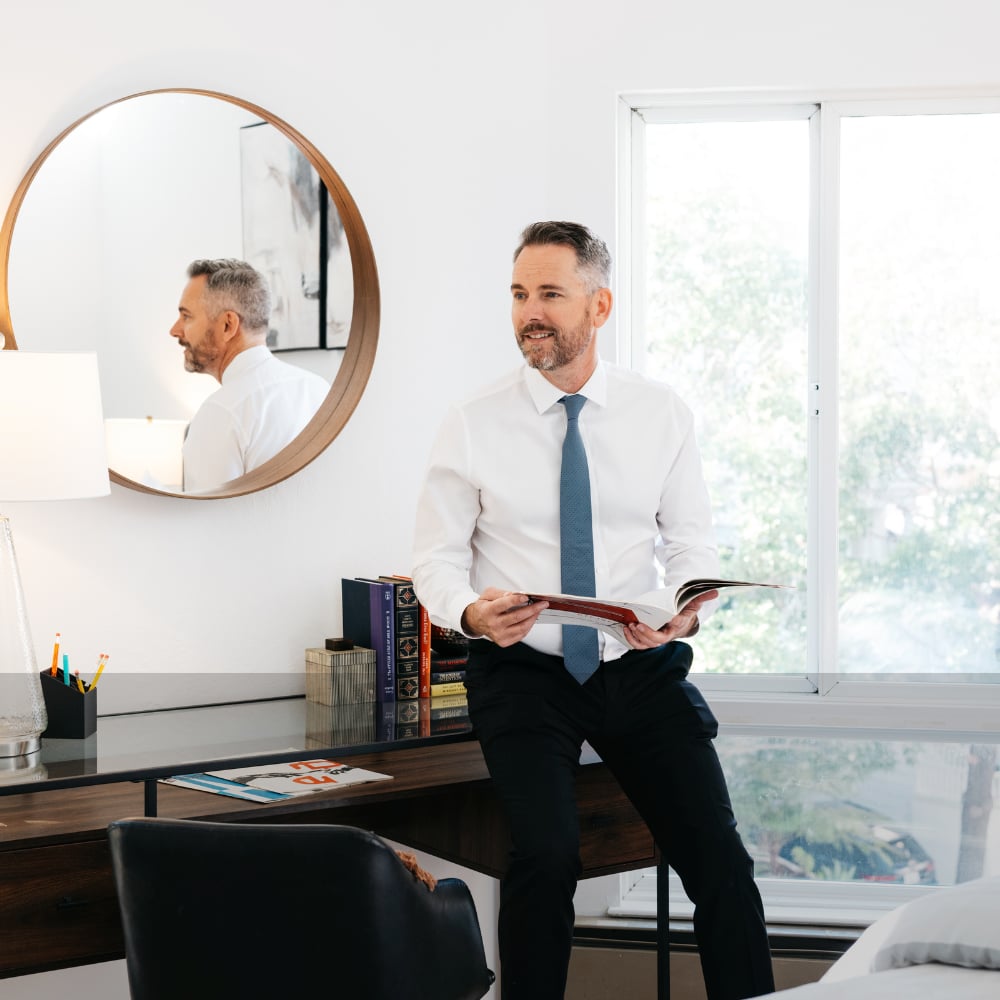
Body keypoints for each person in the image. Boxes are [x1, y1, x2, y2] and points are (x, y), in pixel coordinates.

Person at [411, 221, 775, 1000]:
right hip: (525, 671)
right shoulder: (472, 421)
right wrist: (473, 614)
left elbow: (690, 546)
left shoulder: (660, 413)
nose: (528, 313)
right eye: (518, 294)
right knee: (545, 859)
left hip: (637, 665)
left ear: (599, 304)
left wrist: (685, 613)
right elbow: (435, 562)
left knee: (719, 858)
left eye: (550, 293)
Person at [169, 258, 330, 492]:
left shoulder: (222, 412)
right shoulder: (319, 389)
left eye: (186, 316)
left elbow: (205, 523)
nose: (174, 330)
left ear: (227, 325)